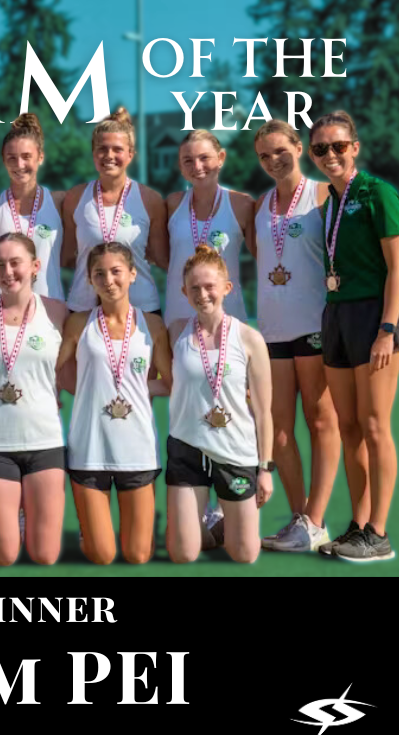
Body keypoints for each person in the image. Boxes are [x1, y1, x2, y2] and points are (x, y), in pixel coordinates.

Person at [308, 111, 399, 562]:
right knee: (348, 428)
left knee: (374, 425)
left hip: (374, 318)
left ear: (355, 147)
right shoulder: (327, 203)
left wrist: (388, 329)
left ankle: (380, 533)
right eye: (321, 148)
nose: (330, 155)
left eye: (338, 146)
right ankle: (359, 525)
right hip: (336, 315)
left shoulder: (377, 193)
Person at [252, 119, 341, 552]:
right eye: (264, 155)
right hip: (271, 330)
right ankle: (301, 518)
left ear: (299, 147)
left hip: (315, 325)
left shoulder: (322, 195)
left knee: (321, 420)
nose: (273, 160)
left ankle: (318, 518)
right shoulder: (259, 205)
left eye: (280, 151)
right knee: (280, 432)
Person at [58, 242, 171, 564]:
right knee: (102, 555)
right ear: (90, 281)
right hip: (89, 450)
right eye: (99, 274)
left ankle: (117, 527)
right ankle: (91, 532)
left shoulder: (153, 325)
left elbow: (172, 382)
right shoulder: (79, 323)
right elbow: (49, 369)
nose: (109, 280)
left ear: (133, 275)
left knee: (138, 555)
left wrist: (143, 386)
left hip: (137, 450)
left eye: (116, 271)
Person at [0, 233, 67, 565]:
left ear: (35, 266)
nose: (7, 271)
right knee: (5, 555)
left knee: (45, 555)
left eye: (15, 263)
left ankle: (17, 519)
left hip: (44, 440)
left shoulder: (58, 312)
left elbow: (72, 369)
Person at [165, 245, 273, 564]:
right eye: (194, 288)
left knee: (244, 555)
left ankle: (229, 523)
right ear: (184, 292)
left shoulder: (249, 338)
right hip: (187, 449)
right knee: (183, 553)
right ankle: (200, 525)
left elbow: (264, 412)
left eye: (210, 286)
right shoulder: (175, 333)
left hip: (235, 451)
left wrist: (264, 469)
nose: (202, 294)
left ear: (227, 288)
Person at [62, 108, 169, 313]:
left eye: (117, 149)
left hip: (140, 308)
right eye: (102, 149)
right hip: (84, 307)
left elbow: (160, 258)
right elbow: (67, 256)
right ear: (93, 154)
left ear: (131, 154)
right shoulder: (75, 198)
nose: (109, 155)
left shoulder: (150, 200)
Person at [164, 130, 256, 326]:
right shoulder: (172, 204)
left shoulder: (241, 204)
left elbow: (262, 255)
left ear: (221, 158)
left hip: (226, 313)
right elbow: (162, 256)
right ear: (180, 166)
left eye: (204, 157)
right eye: (188, 160)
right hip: (179, 314)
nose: (197, 166)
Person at [0, 114, 65, 300]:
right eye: (12, 158)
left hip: (48, 309)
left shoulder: (59, 202)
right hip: (2, 310)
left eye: (26, 157)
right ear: (3, 160)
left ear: (40, 157)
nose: (19, 165)